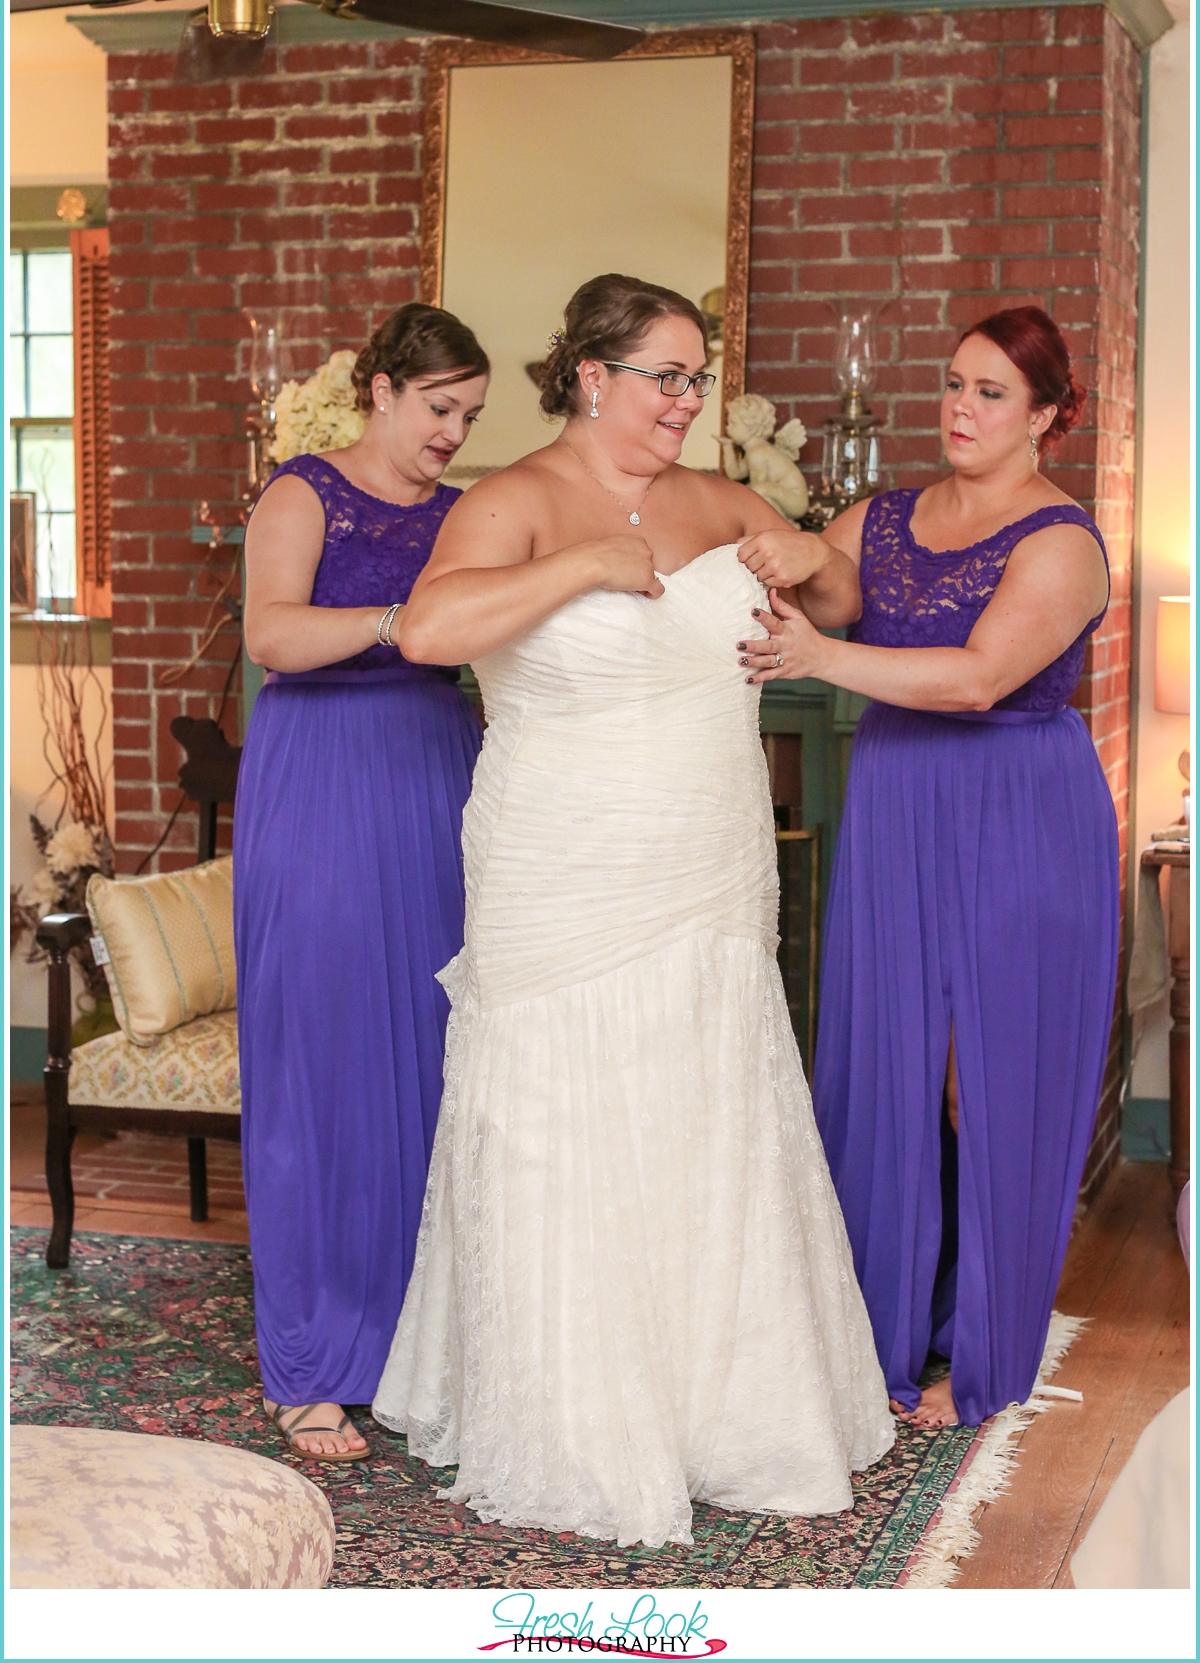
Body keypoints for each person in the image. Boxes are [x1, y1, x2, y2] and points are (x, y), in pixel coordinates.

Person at [371, 273, 894, 1547]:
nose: (688, 399)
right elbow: (430, 629)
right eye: (668, 374)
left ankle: (724, 1401)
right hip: (562, 862)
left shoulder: (717, 495)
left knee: (703, 1103)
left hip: (707, 860)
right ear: (593, 375)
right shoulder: (512, 500)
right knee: (567, 1110)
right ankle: (573, 1411)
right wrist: (586, 566)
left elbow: (839, 610)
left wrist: (813, 554)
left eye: (699, 377)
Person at [735, 305, 1118, 1429]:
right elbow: (825, 588)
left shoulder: (1063, 543)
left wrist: (814, 651)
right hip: (899, 803)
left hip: (1019, 811)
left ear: (1046, 416)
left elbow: (976, 678)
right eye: (954, 384)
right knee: (887, 1058)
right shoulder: (880, 515)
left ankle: (981, 1351)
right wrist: (790, 564)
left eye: (992, 392)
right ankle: (877, 1334)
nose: (960, 407)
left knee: (979, 1076)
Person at [234, 304, 489, 1460]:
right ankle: (315, 1358)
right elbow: (273, 635)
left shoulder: (466, 515)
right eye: (440, 408)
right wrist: (407, 619)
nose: (452, 433)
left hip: (437, 779)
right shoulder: (302, 494)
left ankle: (415, 1340)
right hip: (325, 783)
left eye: (471, 415)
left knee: (434, 1055)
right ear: (380, 390)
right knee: (324, 1056)